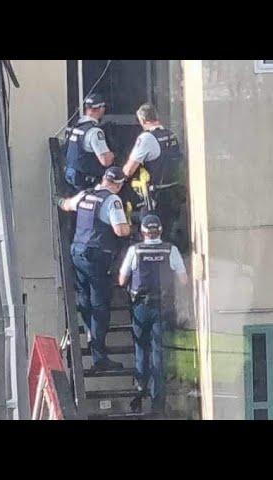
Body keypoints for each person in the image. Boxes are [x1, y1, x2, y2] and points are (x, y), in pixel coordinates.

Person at [56, 166, 130, 371]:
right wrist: (131, 224)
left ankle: (90, 334)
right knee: (100, 306)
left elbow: (66, 205)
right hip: (97, 256)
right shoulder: (112, 200)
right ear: (117, 184)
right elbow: (120, 230)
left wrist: (57, 200)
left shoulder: (85, 194)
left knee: (84, 299)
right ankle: (98, 355)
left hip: (77, 252)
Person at [118, 214, 188, 416]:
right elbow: (183, 280)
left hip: (140, 305)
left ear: (142, 232)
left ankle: (140, 391)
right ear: (160, 231)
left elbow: (122, 280)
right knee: (159, 354)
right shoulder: (170, 250)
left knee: (141, 348)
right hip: (163, 306)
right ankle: (158, 402)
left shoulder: (135, 251)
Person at [121, 103, 185, 247]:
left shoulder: (147, 138)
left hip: (156, 197)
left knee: (151, 238)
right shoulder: (170, 134)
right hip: (174, 193)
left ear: (143, 121)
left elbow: (129, 170)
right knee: (167, 236)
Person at [64, 93, 116, 191]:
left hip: (70, 176)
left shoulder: (76, 127)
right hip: (86, 181)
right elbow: (105, 161)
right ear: (100, 108)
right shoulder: (94, 132)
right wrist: (112, 154)